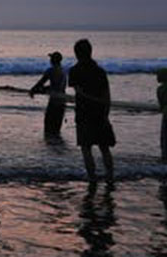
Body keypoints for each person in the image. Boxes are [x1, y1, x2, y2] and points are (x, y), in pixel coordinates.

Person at [68, 39, 115, 181]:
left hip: (83, 113)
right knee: (104, 147)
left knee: (86, 148)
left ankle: (92, 177)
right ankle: (110, 175)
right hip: (100, 113)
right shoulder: (100, 71)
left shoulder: (74, 71)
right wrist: (106, 113)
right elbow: (107, 94)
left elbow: (78, 91)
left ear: (76, 54)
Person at [30, 52, 68, 137]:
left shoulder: (51, 71)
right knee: (56, 129)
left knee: (48, 129)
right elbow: (58, 86)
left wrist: (33, 90)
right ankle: (57, 148)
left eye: (51, 58)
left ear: (53, 60)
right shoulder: (63, 71)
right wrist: (45, 89)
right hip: (62, 102)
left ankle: (51, 147)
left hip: (54, 102)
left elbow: (40, 83)